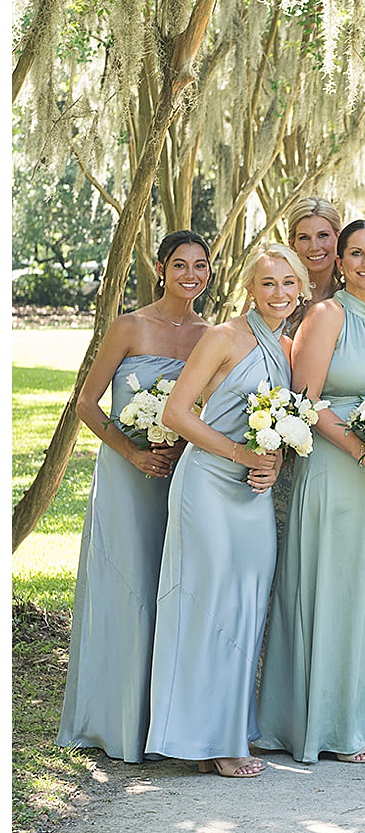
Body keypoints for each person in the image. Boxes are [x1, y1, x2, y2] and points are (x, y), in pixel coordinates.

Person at [257, 221, 365, 764]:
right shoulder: (327, 315)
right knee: (337, 590)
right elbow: (304, 397)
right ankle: (333, 724)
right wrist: (361, 450)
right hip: (338, 468)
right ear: (342, 263)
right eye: (357, 253)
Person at [146, 245, 306, 778]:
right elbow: (176, 412)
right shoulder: (223, 337)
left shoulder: (285, 348)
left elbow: (280, 422)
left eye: (289, 283)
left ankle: (232, 728)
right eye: (268, 284)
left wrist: (275, 458)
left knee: (248, 605)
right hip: (208, 486)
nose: (279, 293)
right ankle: (206, 738)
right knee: (208, 602)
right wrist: (241, 454)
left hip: (252, 493)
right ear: (248, 289)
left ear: (301, 287)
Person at [58, 232, 212, 763]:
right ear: (160, 267)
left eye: (200, 266)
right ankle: (117, 722)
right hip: (128, 477)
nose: (191, 275)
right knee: (128, 590)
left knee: (171, 592)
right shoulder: (130, 325)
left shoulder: (209, 335)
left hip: (181, 478)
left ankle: (166, 722)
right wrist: (132, 453)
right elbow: (87, 403)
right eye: (180, 265)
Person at [287, 198, 343, 315]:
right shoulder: (278, 291)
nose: (314, 247)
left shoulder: (356, 290)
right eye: (304, 238)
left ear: (339, 237)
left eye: (323, 235)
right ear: (292, 245)